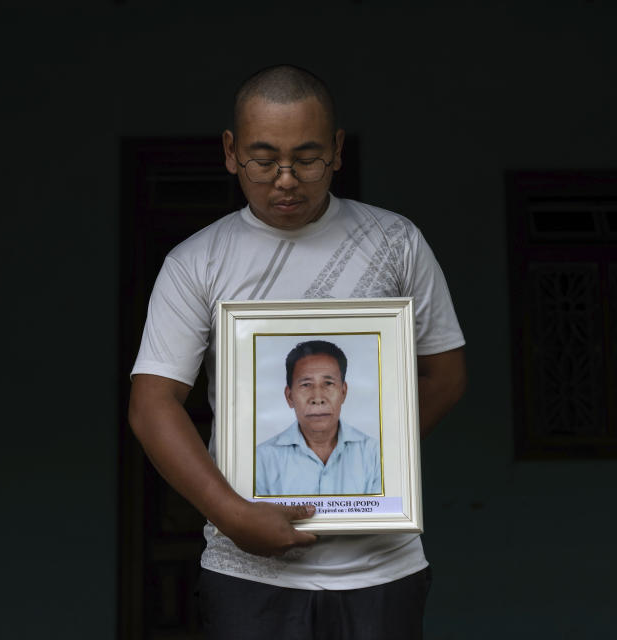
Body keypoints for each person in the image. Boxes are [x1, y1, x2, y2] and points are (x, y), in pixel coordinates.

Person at [128, 64, 467, 639]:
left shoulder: (396, 243)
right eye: (263, 161)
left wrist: (383, 463)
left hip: (381, 568)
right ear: (231, 152)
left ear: (336, 150)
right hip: (248, 573)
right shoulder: (197, 262)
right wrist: (232, 514)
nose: (285, 180)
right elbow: (152, 403)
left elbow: (444, 374)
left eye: (306, 159)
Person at [256, 340, 381, 497]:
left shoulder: (374, 454)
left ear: (343, 392)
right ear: (289, 396)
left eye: (328, 383)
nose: (317, 398)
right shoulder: (262, 459)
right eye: (306, 385)